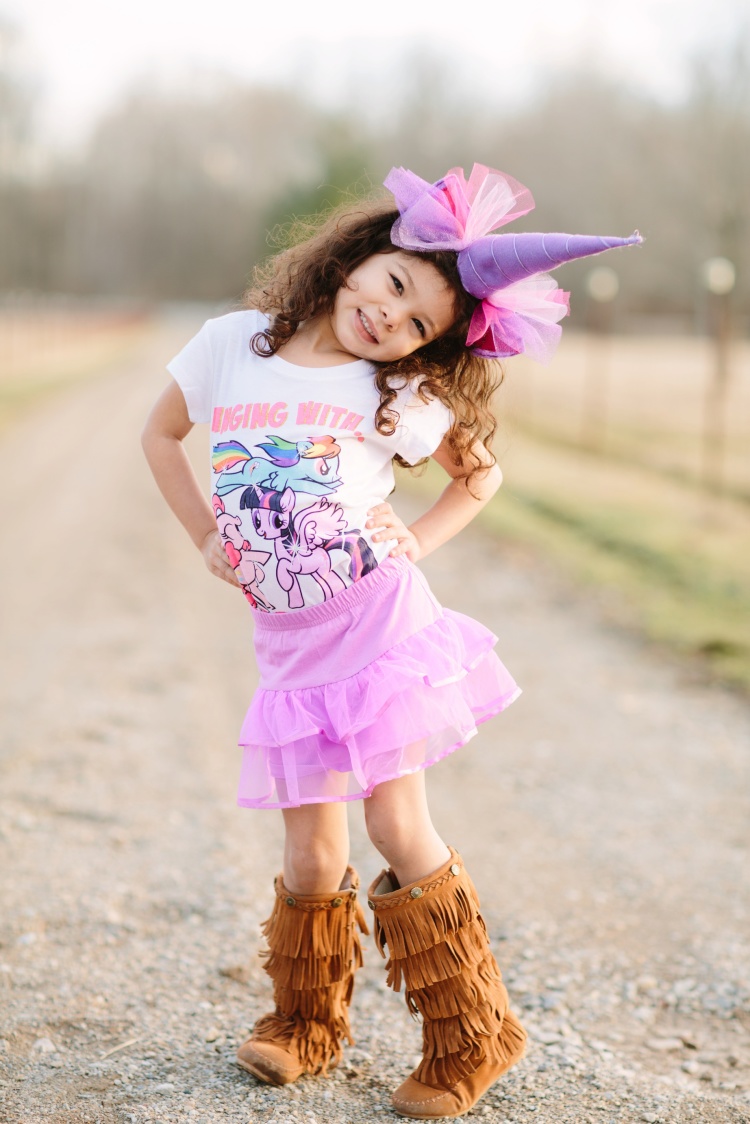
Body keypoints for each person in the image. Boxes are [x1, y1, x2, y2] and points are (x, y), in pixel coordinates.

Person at [142, 163, 640, 1119]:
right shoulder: (231, 346)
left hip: (375, 629)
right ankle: (306, 1026)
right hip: (287, 645)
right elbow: (161, 437)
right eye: (398, 286)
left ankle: (474, 1034)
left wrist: (421, 534)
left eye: (421, 324)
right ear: (357, 256)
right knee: (307, 855)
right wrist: (207, 533)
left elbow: (479, 478)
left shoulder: (399, 395)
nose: (394, 320)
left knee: (394, 825)